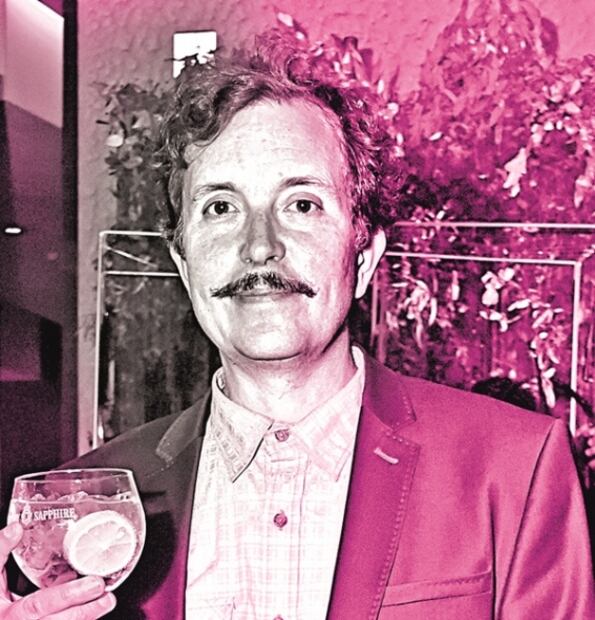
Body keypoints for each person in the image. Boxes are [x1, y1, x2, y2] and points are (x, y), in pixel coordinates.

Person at [2, 29, 594, 620]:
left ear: (364, 258)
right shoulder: (89, 508)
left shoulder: (514, 469)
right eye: (221, 208)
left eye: (302, 204)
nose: (259, 246)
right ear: (183, 264)